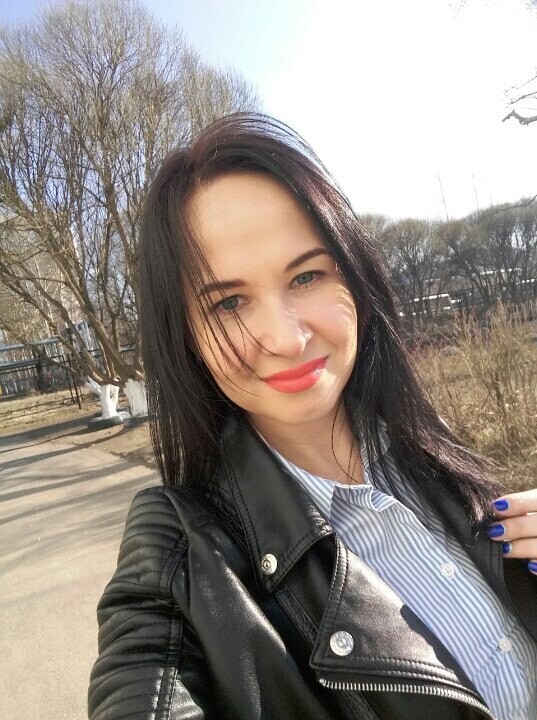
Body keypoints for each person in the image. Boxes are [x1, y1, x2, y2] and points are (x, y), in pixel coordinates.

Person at [87, 113, 537, 720]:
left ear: (355, 277)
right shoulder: (180, 560)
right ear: (184, 336)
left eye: (306, 275)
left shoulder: (428, 454)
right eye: (229, 302)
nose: (286, 337)